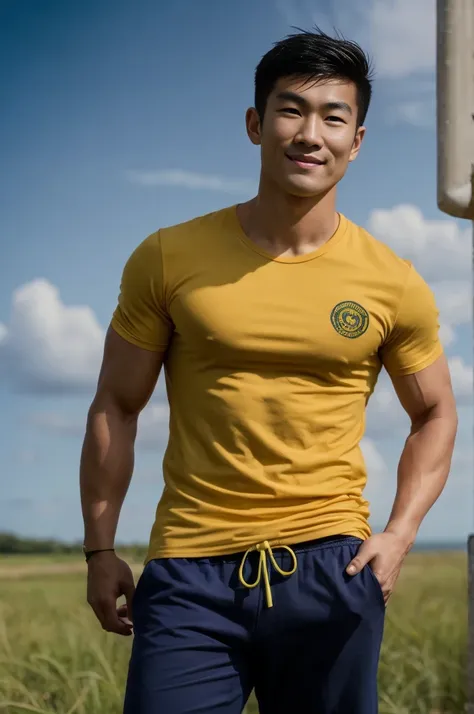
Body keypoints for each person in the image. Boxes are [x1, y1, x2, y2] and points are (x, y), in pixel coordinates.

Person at [80, 28, 458, 714]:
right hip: (191, 572)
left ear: (358, 139)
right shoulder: (168, 258)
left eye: (333, 117)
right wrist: (99, 550)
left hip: (332, 568)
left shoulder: (392, 282)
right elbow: (116, 403)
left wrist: (399, 535)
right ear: (256, 124)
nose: (310, 134)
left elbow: (435, 413)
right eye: (291, 110)